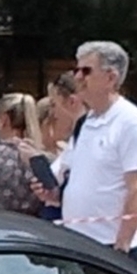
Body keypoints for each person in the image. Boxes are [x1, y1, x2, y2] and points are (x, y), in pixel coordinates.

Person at [55, 42, 137, 249]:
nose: (78, 77)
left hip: (109, 245)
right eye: (77, 70)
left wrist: (122, 245)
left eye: (86, 71)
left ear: (111, 78)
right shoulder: (84, 122)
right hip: (76, 241)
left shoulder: (130, 121)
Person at [36, 72, 83, 222]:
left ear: (72, 102)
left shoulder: (85, 138)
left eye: (55, 104)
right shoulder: (75, 140)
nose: (54, 113)